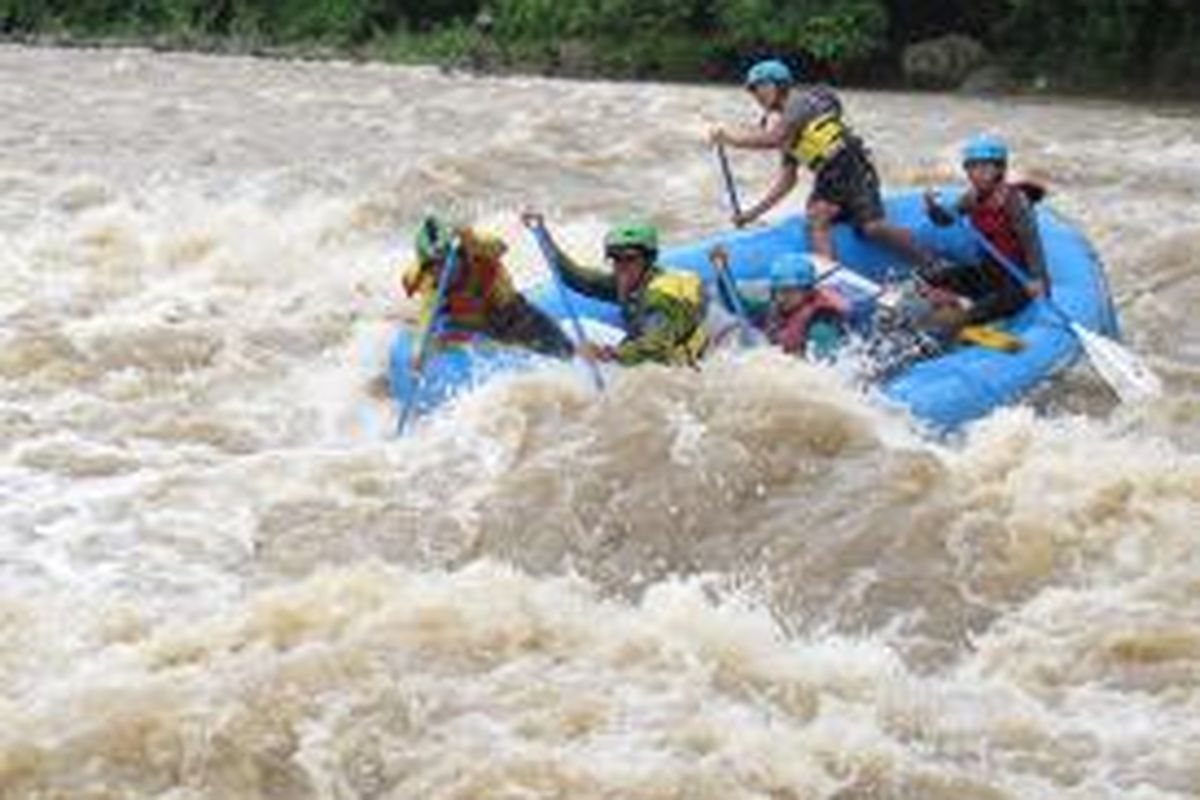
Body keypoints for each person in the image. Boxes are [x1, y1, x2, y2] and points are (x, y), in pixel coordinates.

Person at [708, 58, 937, 270]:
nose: (757, 94)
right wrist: (751, 214)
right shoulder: (788, 132)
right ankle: (833, 280)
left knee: (871, 228)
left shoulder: (800, 103)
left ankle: (931, 263)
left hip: (854, 168)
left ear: (781, 85)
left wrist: (730, 138)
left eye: (761, 86)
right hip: (829, 179)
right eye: (753, 90)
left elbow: (773, 138)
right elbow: (787, 181)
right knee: (816, 219)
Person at [520, 212, 708, 366]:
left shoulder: (658, 301)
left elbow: (654, 347)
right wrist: (542, 233)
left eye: (629, 258)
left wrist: (608, 354)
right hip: (659, 346)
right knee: (569, 328)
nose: (621, 265)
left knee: (575, 330)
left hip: (677, 362)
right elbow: (576, 278)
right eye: (615, 258)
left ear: (648, 259)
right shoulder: (630, 282)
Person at [401, 215, 573, 358]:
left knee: (559, 344)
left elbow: (501, 247)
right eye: (434, 265)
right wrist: (418, 351)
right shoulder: (430, 282)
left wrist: (470, 239)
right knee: (448, 335)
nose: (442, 270)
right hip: (467, 324)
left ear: (458, 254)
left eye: (445, 262)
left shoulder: (474, 249)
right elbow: (427, 313)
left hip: (507, 310)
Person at [923, 134, 1049, 324]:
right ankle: (957, 303)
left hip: (1017, 278)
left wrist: (1038, 279)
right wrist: (932, 208)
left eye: (985, 167)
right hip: (989, 271)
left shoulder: (1015, 201)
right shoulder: (972, 197)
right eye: (973, 167)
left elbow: (1031, 241)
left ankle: (964, 312)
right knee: (935, 278)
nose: (979, 174)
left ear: (999, 170)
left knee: (981, 309)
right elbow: (945, 220)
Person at [710, 247, 850, 361]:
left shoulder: (820, 323)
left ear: (807, 290)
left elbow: (825, 367)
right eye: (779, 291)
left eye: (789, 292)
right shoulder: (774, 307)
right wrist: (723, 271)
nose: (782, 298)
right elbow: (734, 304)